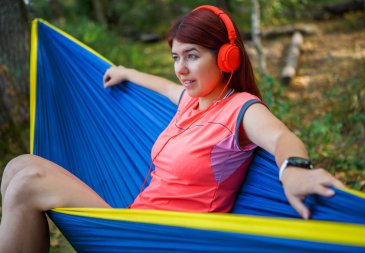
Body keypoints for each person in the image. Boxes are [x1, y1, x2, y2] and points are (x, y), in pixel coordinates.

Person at [0, 5, 344, 253]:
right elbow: (166, 88)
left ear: (227, 58)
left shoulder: (240, 109)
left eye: (192, 56)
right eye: (175, 57)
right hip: (134, 222)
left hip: (164, 238)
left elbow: (282, 137)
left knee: (28, 183)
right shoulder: (192, 101)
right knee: (18, 166)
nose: (181, 68)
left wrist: (295, 169)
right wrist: (127, 73)